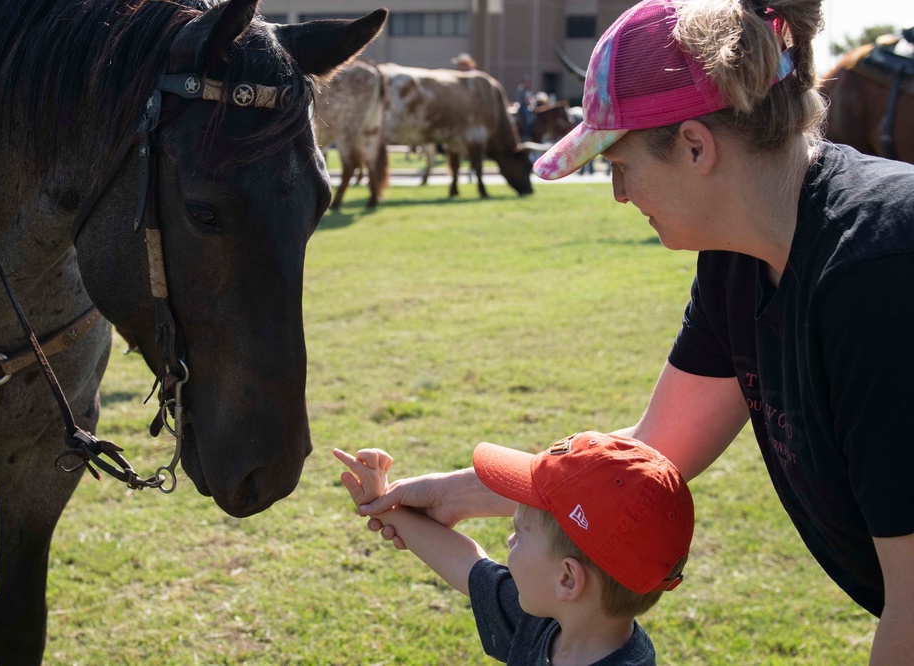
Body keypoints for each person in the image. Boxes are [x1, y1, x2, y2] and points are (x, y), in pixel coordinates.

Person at [359, 0, 914, 663]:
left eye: (620, 167)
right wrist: (456, 494)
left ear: (694, 146)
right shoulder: (738, 259)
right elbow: (655, 451)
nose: (619, 195)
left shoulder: (877, 274)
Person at [334, 430, 694, 665]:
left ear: (568, 579)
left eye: (519, 534)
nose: (508, 541)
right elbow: (466, 565)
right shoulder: (547, 623)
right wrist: (383, 502)